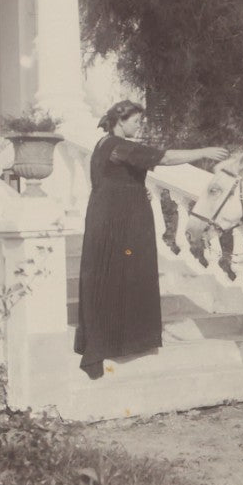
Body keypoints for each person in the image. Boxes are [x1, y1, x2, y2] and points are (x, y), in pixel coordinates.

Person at [75, 100, 230, 379]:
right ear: (120, 121)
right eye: (135, 121)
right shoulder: (116, 146)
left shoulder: (105, 144)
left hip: (113, 216)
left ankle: (120, 340)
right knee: (114, 276)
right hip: (117, 221)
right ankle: (109, 344)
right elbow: (165, 158)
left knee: (116, 276)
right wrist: (204, 152)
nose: (139, 125)